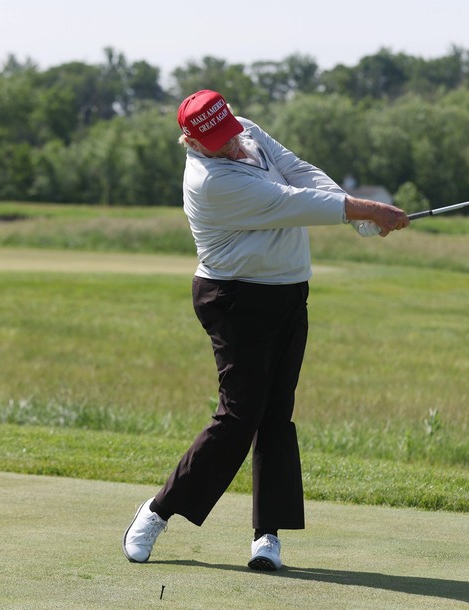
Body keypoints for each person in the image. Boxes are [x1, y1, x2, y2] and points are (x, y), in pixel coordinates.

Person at [122, 89, 409, 570]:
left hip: (288, 292)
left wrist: (350, 207)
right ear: (190, 140)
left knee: (277, 416)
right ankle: (157, 511)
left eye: (231, 131)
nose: (232, 144)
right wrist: (364, 211)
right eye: (218, 141)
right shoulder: (211, 182)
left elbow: (299, 171)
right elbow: (290, 200)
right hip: (236, 298)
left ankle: (266, 536)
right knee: (239, 417)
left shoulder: (246, 131)